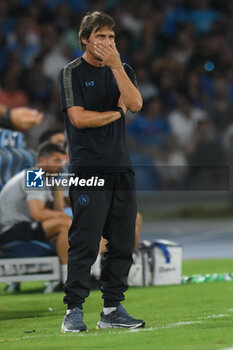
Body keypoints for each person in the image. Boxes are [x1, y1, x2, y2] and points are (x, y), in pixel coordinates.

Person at [59, 11, 145, 332]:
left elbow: (135, 104)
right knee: (85, 241)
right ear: (85, 39)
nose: (108, 43)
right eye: (100, 37)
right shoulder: (71, 73)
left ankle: (111, 310)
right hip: (87, 170)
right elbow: (79, 119)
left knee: (122, 241)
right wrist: (114, 114)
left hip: (121, 167)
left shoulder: (122, 70)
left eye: (111, 37)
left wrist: (115, 66)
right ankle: (73, 311)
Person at [0, 142, 71, 284]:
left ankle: (72, 274)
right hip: (10, 230)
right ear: (42, 161)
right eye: (56, 160)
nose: (61, 166)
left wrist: (57, 188)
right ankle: (68, 278)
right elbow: (39, 214)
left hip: (24, 227)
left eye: (62, 162)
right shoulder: (34, 175)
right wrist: (65, 217)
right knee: (65, 224)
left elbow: (56, 212)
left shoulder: (47, 180)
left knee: (68, 225)